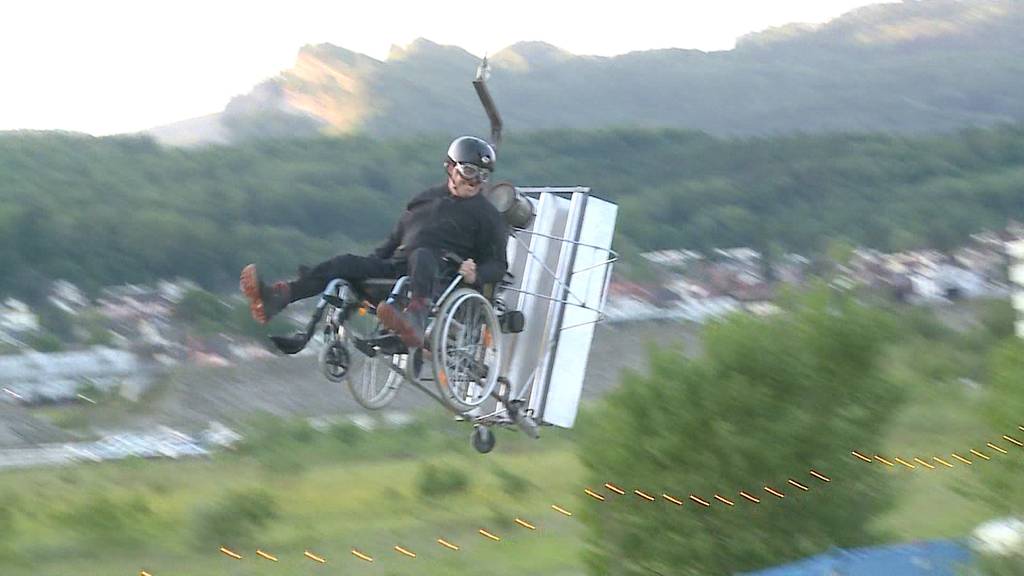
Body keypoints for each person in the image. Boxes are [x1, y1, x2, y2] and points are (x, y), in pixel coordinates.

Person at [240, 136, 507, 349]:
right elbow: (392, 242)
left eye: (482, 175)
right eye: (469, 170)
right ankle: (277, 297)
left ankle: (415, 318)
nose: (475, 181)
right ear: (450, 167)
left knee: (423, 254)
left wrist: (476, 274)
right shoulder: (424, 200)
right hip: (398, 265)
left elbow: (498, 265)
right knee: (344, 262)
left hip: (440, 273)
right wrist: (365, 266)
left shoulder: (487, 215)